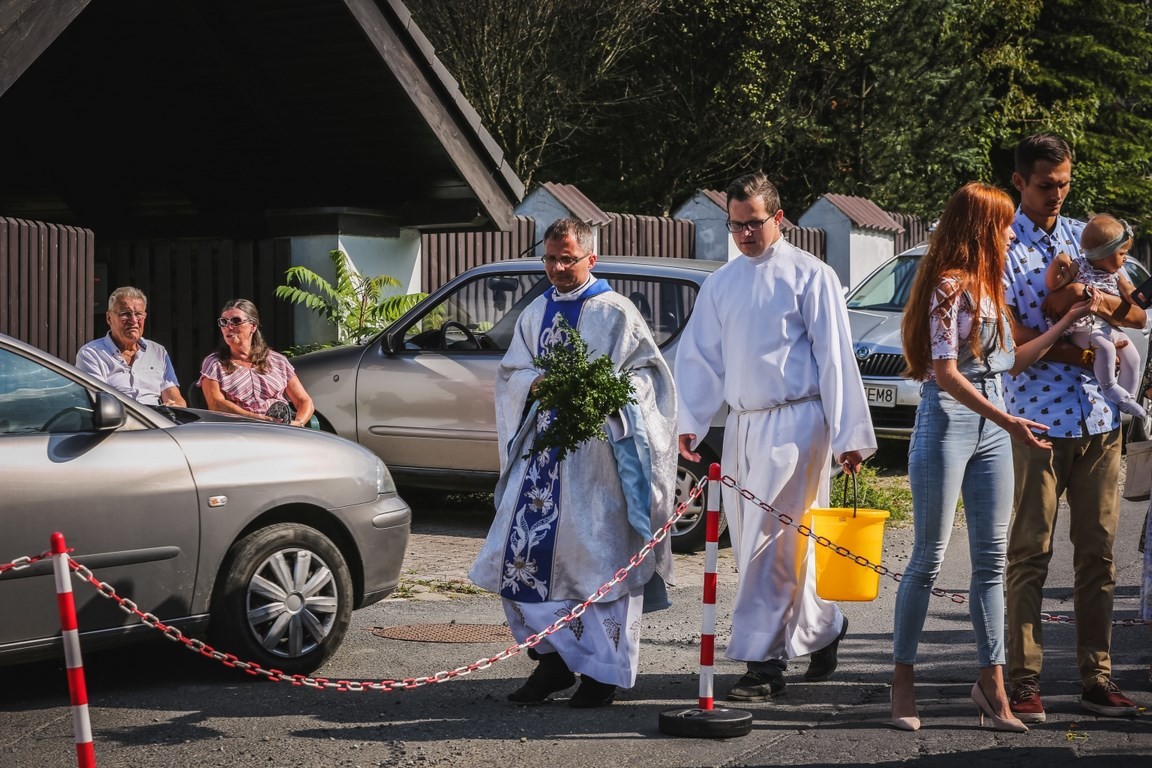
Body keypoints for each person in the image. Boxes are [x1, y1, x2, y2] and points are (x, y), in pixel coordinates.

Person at [890, 182, 1097, 733]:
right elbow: (945, 373)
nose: (1010, 234)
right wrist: (1008, 421)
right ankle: (902, 681)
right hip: (948, 421)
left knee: (991, 562)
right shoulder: (948, 286)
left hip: (994, 420)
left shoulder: (990, 288)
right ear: (981, 228)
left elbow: (1008, 363)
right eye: (1002, 225)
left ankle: (993, 685)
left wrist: (1063, 322)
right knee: (928, 557)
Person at [674, 171, 876, 702]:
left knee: (771, 541)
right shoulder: (721, 283)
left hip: (797, 425)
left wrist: (849, 435)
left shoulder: (812, 275)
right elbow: (700, 358)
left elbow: (836, 358)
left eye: (753, 223)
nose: (743, 234)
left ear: (778, 218)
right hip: (743, 425)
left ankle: (764, 663)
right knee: (759, 543)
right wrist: (690, 421)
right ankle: (824, 627)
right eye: (735, 225)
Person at [468, 218, 677, 709]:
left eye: (568, 259)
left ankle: (602, 676)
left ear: (591, 259)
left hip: (600, 460)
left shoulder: (617, 312)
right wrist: (538, 383)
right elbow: (512, 372)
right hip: (543, 453)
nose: (558, 268)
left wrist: (612, 395)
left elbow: (651, 378)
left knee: (596, 564)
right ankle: (553, 663)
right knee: (517, 558)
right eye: (550, 259)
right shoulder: (535, 311)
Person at [1003, 133, 1146, 722]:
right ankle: (1023, 682)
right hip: (1037, 421)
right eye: (1045, 184)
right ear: (1020, 181)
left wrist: (1094, 301)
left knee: (1098, 554)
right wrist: (1083, 342)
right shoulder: (1002, 247)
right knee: (1030, 553)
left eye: (1064, 183)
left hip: (1100, 420)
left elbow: (1136, 315)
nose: (1057, 194)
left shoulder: (1087, 234)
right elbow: (1012, 343)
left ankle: (1097, 677)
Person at [1044, 213, 1146, 418]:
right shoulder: (1079, 266)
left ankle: (1127, 399)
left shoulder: (1116, 275)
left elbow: (1133, 297)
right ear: (1104, 254)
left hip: (1107, 326)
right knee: (1106, 349)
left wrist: (1144, 296)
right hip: (1082, 326)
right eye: (1122, 253)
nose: (1125, 258)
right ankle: (1110, 388)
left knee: (1132, 357)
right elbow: (1054, 284)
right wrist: (1057, 264)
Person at [198, 299, 315, 427]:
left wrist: (298, 423)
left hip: (279, 429)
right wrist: (258, 419)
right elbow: (216, 404)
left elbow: (304, 401)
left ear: (253, 326)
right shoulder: (214, 363)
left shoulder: (278, 361)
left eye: (236, 321)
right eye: (224, 322)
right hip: (238, 429)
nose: (229, 327)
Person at [76, 286, 186, 407]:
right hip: (117, 418)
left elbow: (176, 398)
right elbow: (97, 403)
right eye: (125, 314)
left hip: (155, 417)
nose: (133, 320)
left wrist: (174, 406)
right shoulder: (91, 354)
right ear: (109, 318)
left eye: (138, 314)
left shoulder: (158, 352)